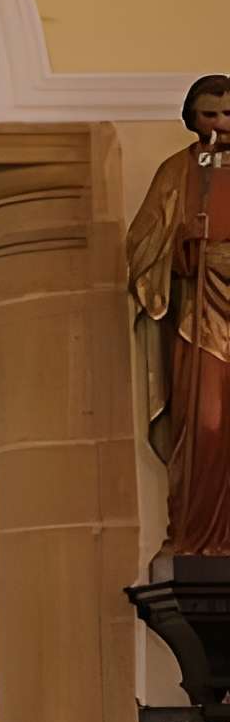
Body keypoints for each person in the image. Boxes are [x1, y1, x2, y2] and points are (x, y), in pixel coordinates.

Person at [127, 75, 230, 555]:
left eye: (228, 115)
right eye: (210, 114)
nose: (220, 125)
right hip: (200, 314)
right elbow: (142, 244)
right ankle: (193, 533)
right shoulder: (177, 172)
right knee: (206, 424)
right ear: (193, 119)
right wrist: (181, 250)